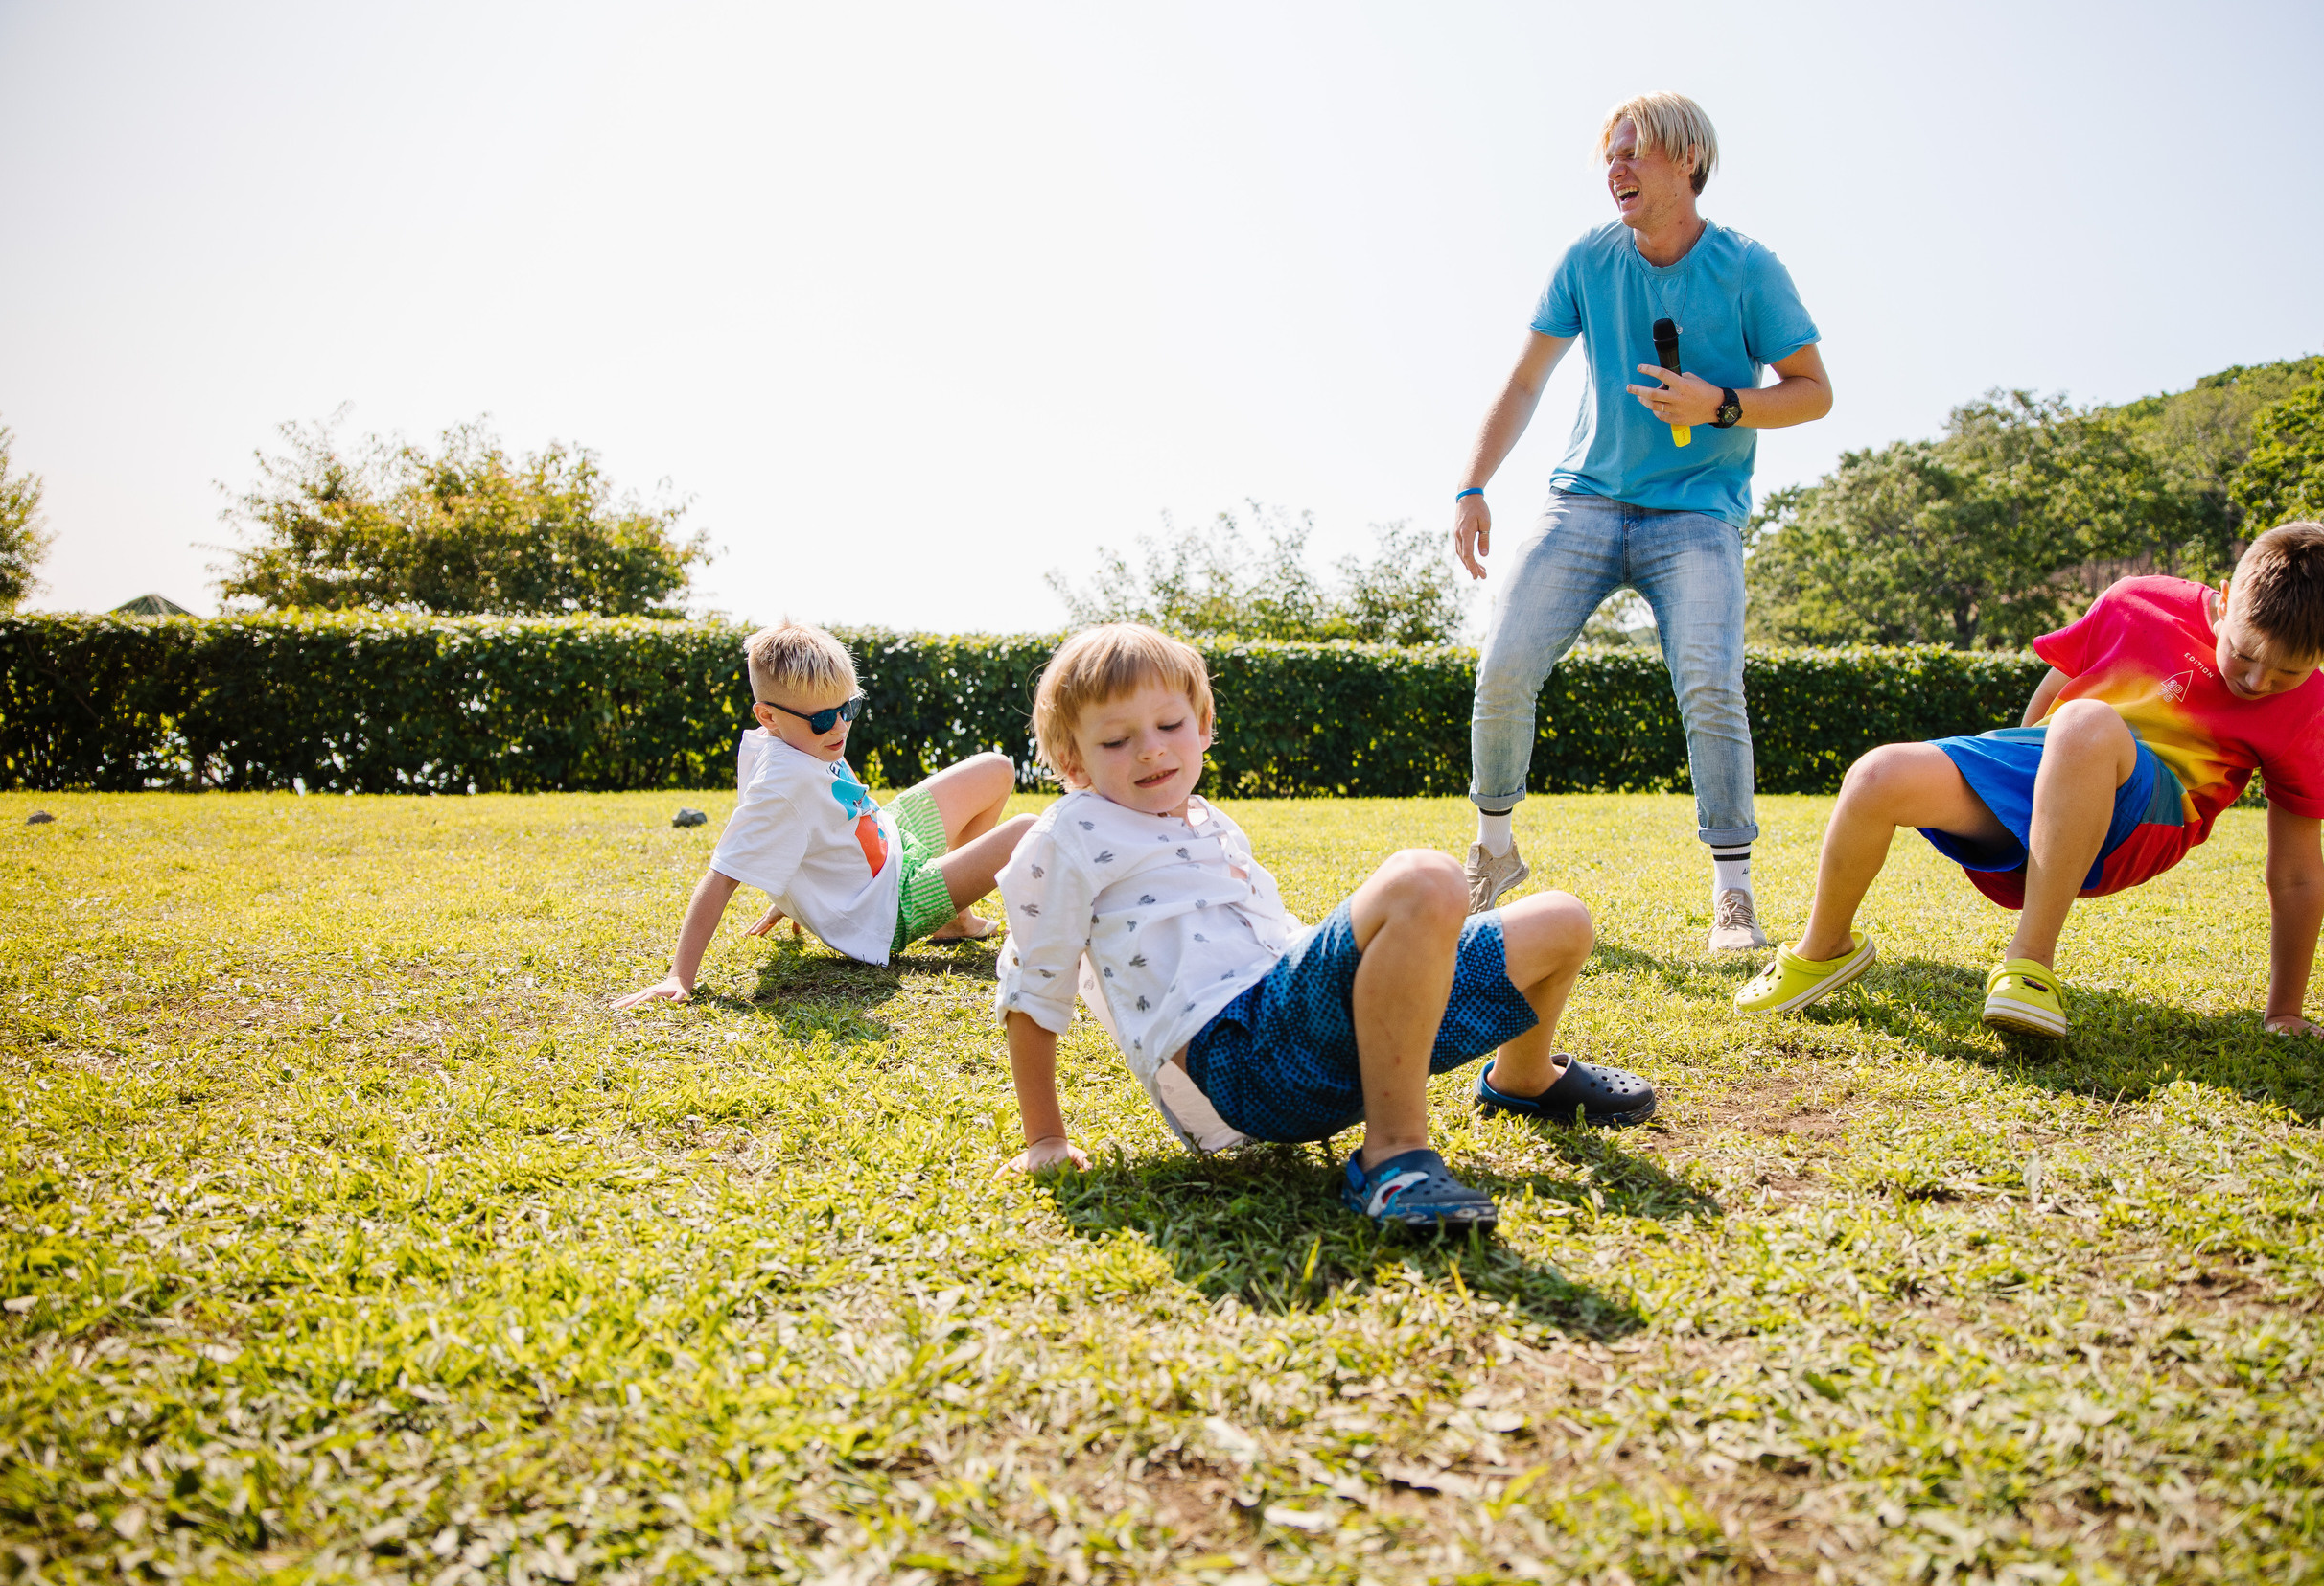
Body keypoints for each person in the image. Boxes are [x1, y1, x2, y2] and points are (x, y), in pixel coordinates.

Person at [995, 623, 1657, 1226]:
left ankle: (1523, 1079)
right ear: (1073, 762)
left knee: (1562, 919)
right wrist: (1045, 1137)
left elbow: (1273, 940)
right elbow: (1034, 983)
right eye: (1116, 740)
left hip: (1327, 1037)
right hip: (1249, 1060)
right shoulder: (1071, 832)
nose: (1149, 751)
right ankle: (1392, 1159)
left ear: (1202, 725)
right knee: (1424, 877)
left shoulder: (1212, 823)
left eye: (1169, 723)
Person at [1734, 522, 2324, 1040]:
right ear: (2227, 597)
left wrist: (2285, 1010)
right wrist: (2035, 795)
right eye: (2245, 652)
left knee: (2087, 723)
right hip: (2059, 761)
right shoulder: (2137, 600)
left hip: (2152, 817)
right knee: (1877, 775)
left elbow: (2295, 870)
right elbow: (2054, 692)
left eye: (2287, 672)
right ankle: (1825, 946)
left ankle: (2028, 967)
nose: (2258, 681)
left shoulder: (2309, 711)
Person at [1452, 90, 1832, 951]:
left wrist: (1720, 403)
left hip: (1697, 516)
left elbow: (1815, 391)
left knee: (1709, 684)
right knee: (1505, 663)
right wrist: (1472, 484)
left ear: (1687, 162)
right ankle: (1494, 853)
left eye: (1634, 152)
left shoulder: (1748, 268)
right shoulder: (1586, 261)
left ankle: (1733, 894)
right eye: (1610, 155)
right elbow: (1523, 385)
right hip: (1584, 498)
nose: (1616, 168)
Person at [613, 620, 1032, 1009]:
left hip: (891, 837)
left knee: (996, 768)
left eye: (848, 709)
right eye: (823, 719)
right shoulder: (780, 784)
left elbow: (810, 830)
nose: (839, 728)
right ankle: (979, 919)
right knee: (1028, 829)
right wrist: (679, 977)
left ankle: (955, 919)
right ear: (768, 716)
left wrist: (793, 891)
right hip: (892, 905)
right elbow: (723, 876)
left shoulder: (796, 737)